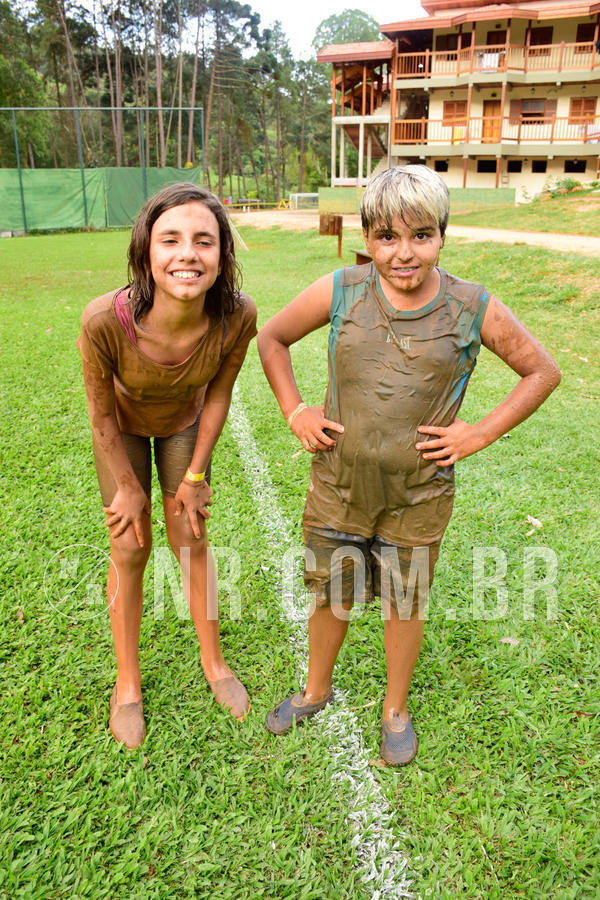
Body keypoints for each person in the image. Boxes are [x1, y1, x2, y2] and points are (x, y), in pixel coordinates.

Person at [257, 165, 560, 766]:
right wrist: (295, 410)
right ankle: (315, 690)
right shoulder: (342, 290)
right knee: (331, 594)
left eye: (421, 235)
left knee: (405, 600)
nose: (403, 253)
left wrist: (479, 434)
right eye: (387, 237)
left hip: (419, 493)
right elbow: (272, 338)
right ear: (367, 238)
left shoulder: (471, 306)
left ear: (442, 235)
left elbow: (542, 371)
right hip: (339, 486)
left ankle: (394, 708)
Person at [78, 183, 257, 749]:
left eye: (204, 241)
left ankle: (214, 662)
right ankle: (127, 682)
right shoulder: (104, 320)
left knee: (191, 537)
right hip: (123, 429)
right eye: (170, 239)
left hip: (184, 423)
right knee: (130, 544)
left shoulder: (237, 315)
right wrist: (128, 487)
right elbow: (100, 415)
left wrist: (195, 476)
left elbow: (219, 395)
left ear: (222, 254)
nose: (188, 254)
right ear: (146, 251)